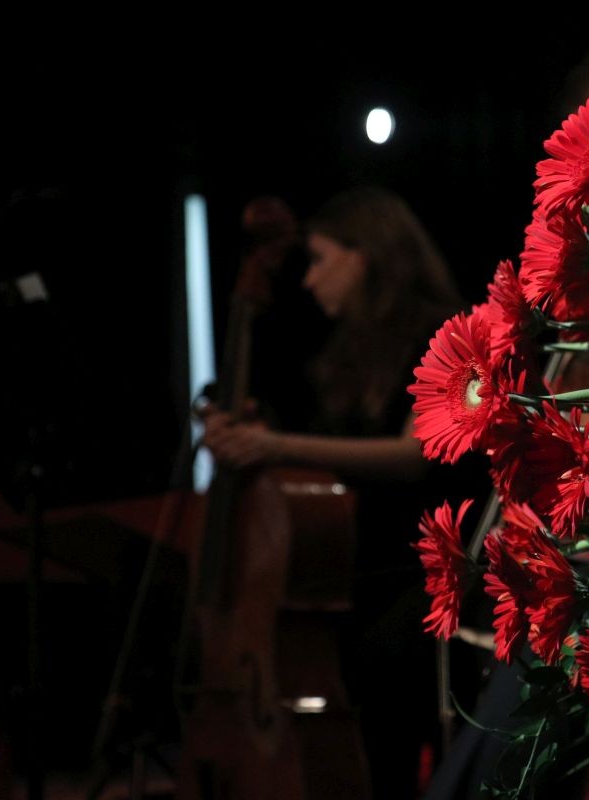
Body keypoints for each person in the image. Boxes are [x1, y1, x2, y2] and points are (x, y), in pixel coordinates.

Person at [201, 185, 473, 799]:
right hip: (358, 571)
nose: (308, 280)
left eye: (320, 259)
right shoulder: (349, 350)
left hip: (425, 567)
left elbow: (414, 455)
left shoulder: (445, 330)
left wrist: (275, 445)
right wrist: (258, 433)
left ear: (366, 255)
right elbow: (328, 453)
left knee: (380, 671)